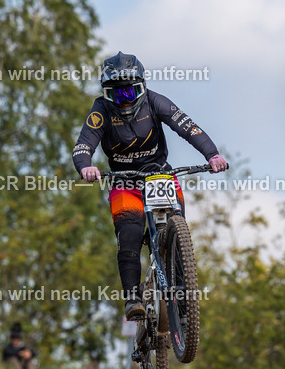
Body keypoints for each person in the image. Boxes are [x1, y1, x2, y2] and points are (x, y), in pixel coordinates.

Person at [74, 51, 229, 319]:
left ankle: (179, 281)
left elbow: (188, 127)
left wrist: (212, 154)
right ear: (106, 94)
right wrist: (85, 166)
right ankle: (132, 298)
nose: (124, 101)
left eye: (130, 93)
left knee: (178, 223)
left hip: (160, 175)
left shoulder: (156, 101)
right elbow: (83, 145)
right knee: (130, 234)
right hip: (125, 183)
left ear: (142, 87)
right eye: (116, 95)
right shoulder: (100, 110)